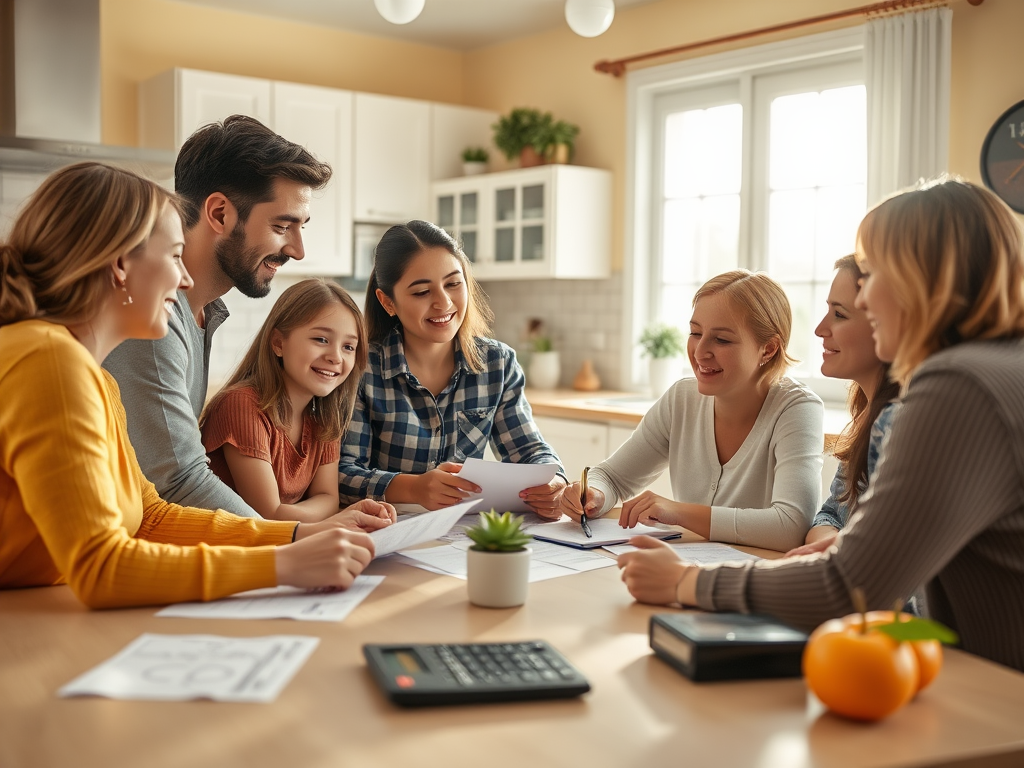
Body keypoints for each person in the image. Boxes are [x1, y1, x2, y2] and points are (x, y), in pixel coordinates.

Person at [618, 177, 1024, 672]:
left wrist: (684, 582)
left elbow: (848, 586)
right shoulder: (1003, 368)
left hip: (997, 701)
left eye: (874, 276)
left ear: (924, 282)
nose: (867, 300)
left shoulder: (958, 385)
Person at [0, 162, 382, 608]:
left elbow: (152, 518)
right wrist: (284, 565)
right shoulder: (48, 360)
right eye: (175, 256)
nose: (184, 278)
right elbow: (101, 566)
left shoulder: (97, 378)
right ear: (120, 265)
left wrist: (298, 535)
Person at [104, 115, 333, 518]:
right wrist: (294, 541)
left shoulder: (204, 309)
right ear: (220, 213)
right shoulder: (155, 316)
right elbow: (178, 481)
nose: (297, 250)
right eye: (283, 225)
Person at [558, 270, 824, 553]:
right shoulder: (681, 399)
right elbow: (612, 477)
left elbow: (791, 525)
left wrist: (678, 512)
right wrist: (594, 494)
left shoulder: (797, 408)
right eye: (696, 333)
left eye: (721, 340)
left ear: (768, 349)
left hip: (758, 582)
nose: (700, 352)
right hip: (686, 571)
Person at [338, 220, 568, 515]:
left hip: (463, 535)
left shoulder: (498, 365)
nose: (443, 302)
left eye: (453, 283)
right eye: (422, 292)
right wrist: (413, 488)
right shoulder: (361, 369)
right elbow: (342, 474)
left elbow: (530, 451)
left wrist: (554, 481)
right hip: (388, 530)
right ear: (388, 302)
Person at [201, 279, 393, 525]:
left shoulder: (324, 416)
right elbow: (268, 515)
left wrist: (335, 514)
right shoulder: (241, 406)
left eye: (348, 346)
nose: (335, 357)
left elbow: (328, 498)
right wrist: (335, 518)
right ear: (278, 343)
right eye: (321, 340)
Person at [786, 255, 900, 557]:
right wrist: (835, 544)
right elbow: (830, 516)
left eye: (839, 314)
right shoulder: (868, 416)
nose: (820, 329)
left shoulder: (899, 422)